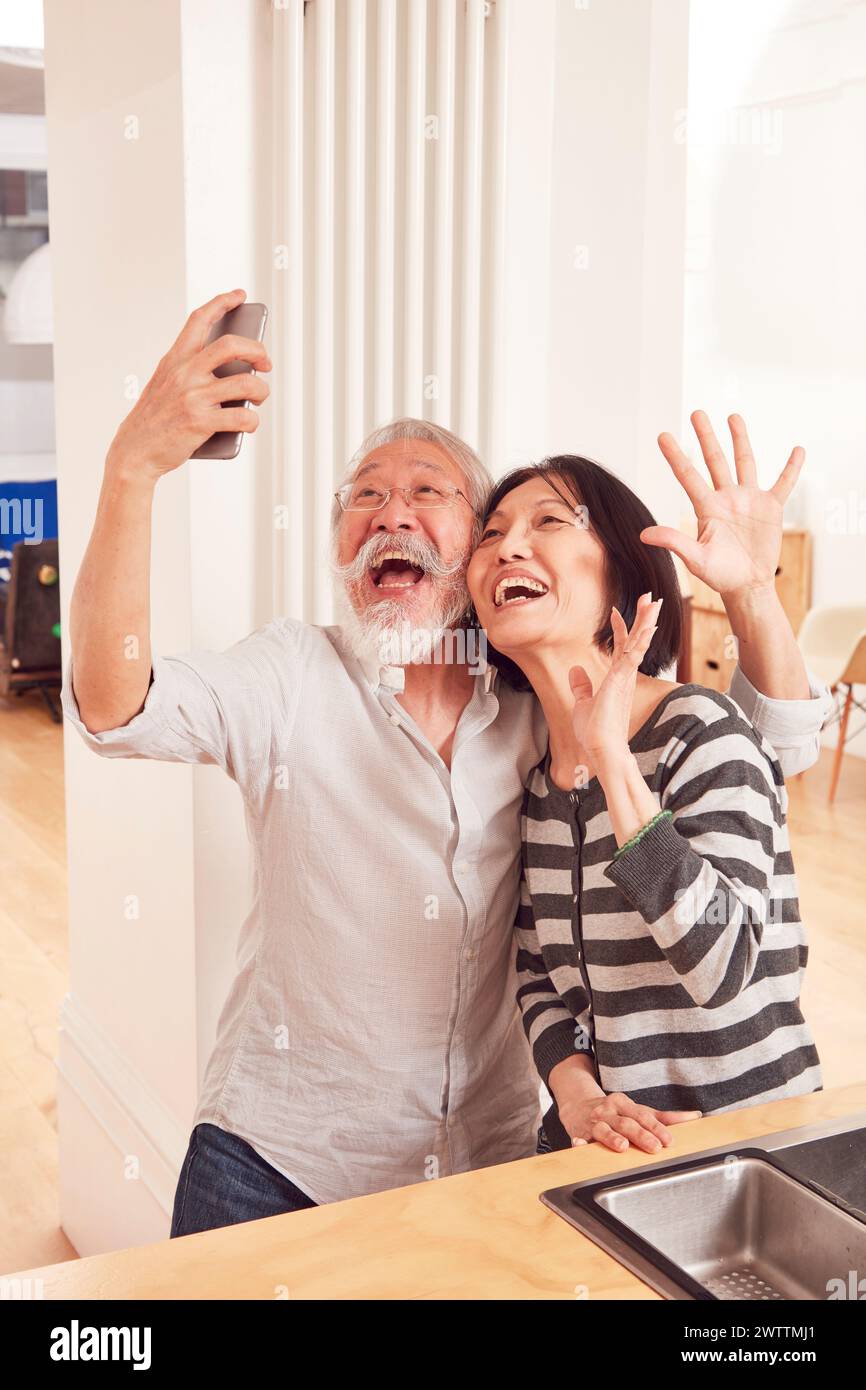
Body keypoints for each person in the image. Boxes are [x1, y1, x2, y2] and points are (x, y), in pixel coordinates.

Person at [62, 288, 830, 1234]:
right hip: (280, 1161)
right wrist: (132, 469)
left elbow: (770, 747)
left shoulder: (547, 722)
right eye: (365, 497)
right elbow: (114, 703)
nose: (393, 514)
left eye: (431, 492)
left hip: (512, 1162)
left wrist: (752, 596)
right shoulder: (296, 675)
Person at [466, 448, 822, 1157]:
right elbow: (536, 967)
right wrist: (578, 1097)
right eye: (491, 532)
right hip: (604, 1146)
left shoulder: (701, 731)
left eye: (548, 521)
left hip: (752, 1145)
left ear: (621, 569)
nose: (509, 545)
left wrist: (614, 765)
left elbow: (723, 966)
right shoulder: (538, 784)